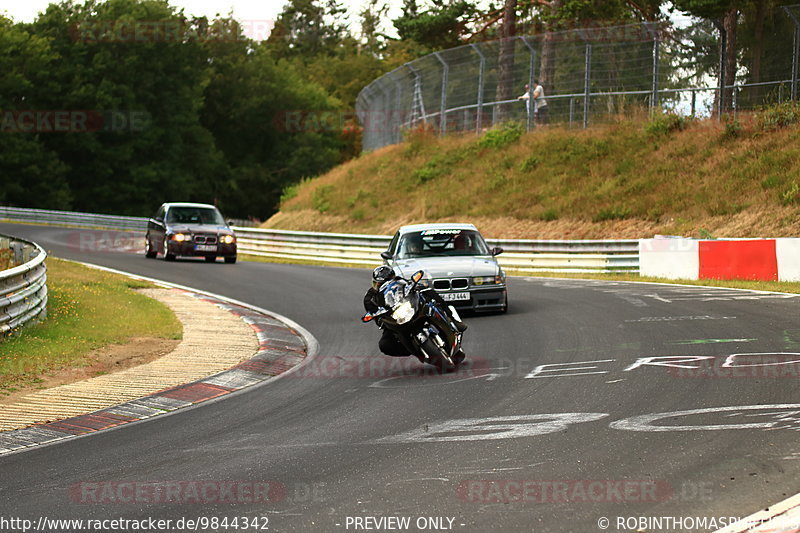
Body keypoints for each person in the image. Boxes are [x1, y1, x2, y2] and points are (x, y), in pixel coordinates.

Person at [363, 266, 467, 357]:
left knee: (427, 292)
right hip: (393, 320)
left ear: (393, 278)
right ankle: (414, 350)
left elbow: (412, 286)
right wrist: (379, 316)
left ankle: (452, 320)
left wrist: (416, 287)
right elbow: (374, 316)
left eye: (387, 282)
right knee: (385, 345)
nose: (382, 286)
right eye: (378, 284)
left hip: (410, 308)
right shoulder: (370, 298)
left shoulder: (400, 282)